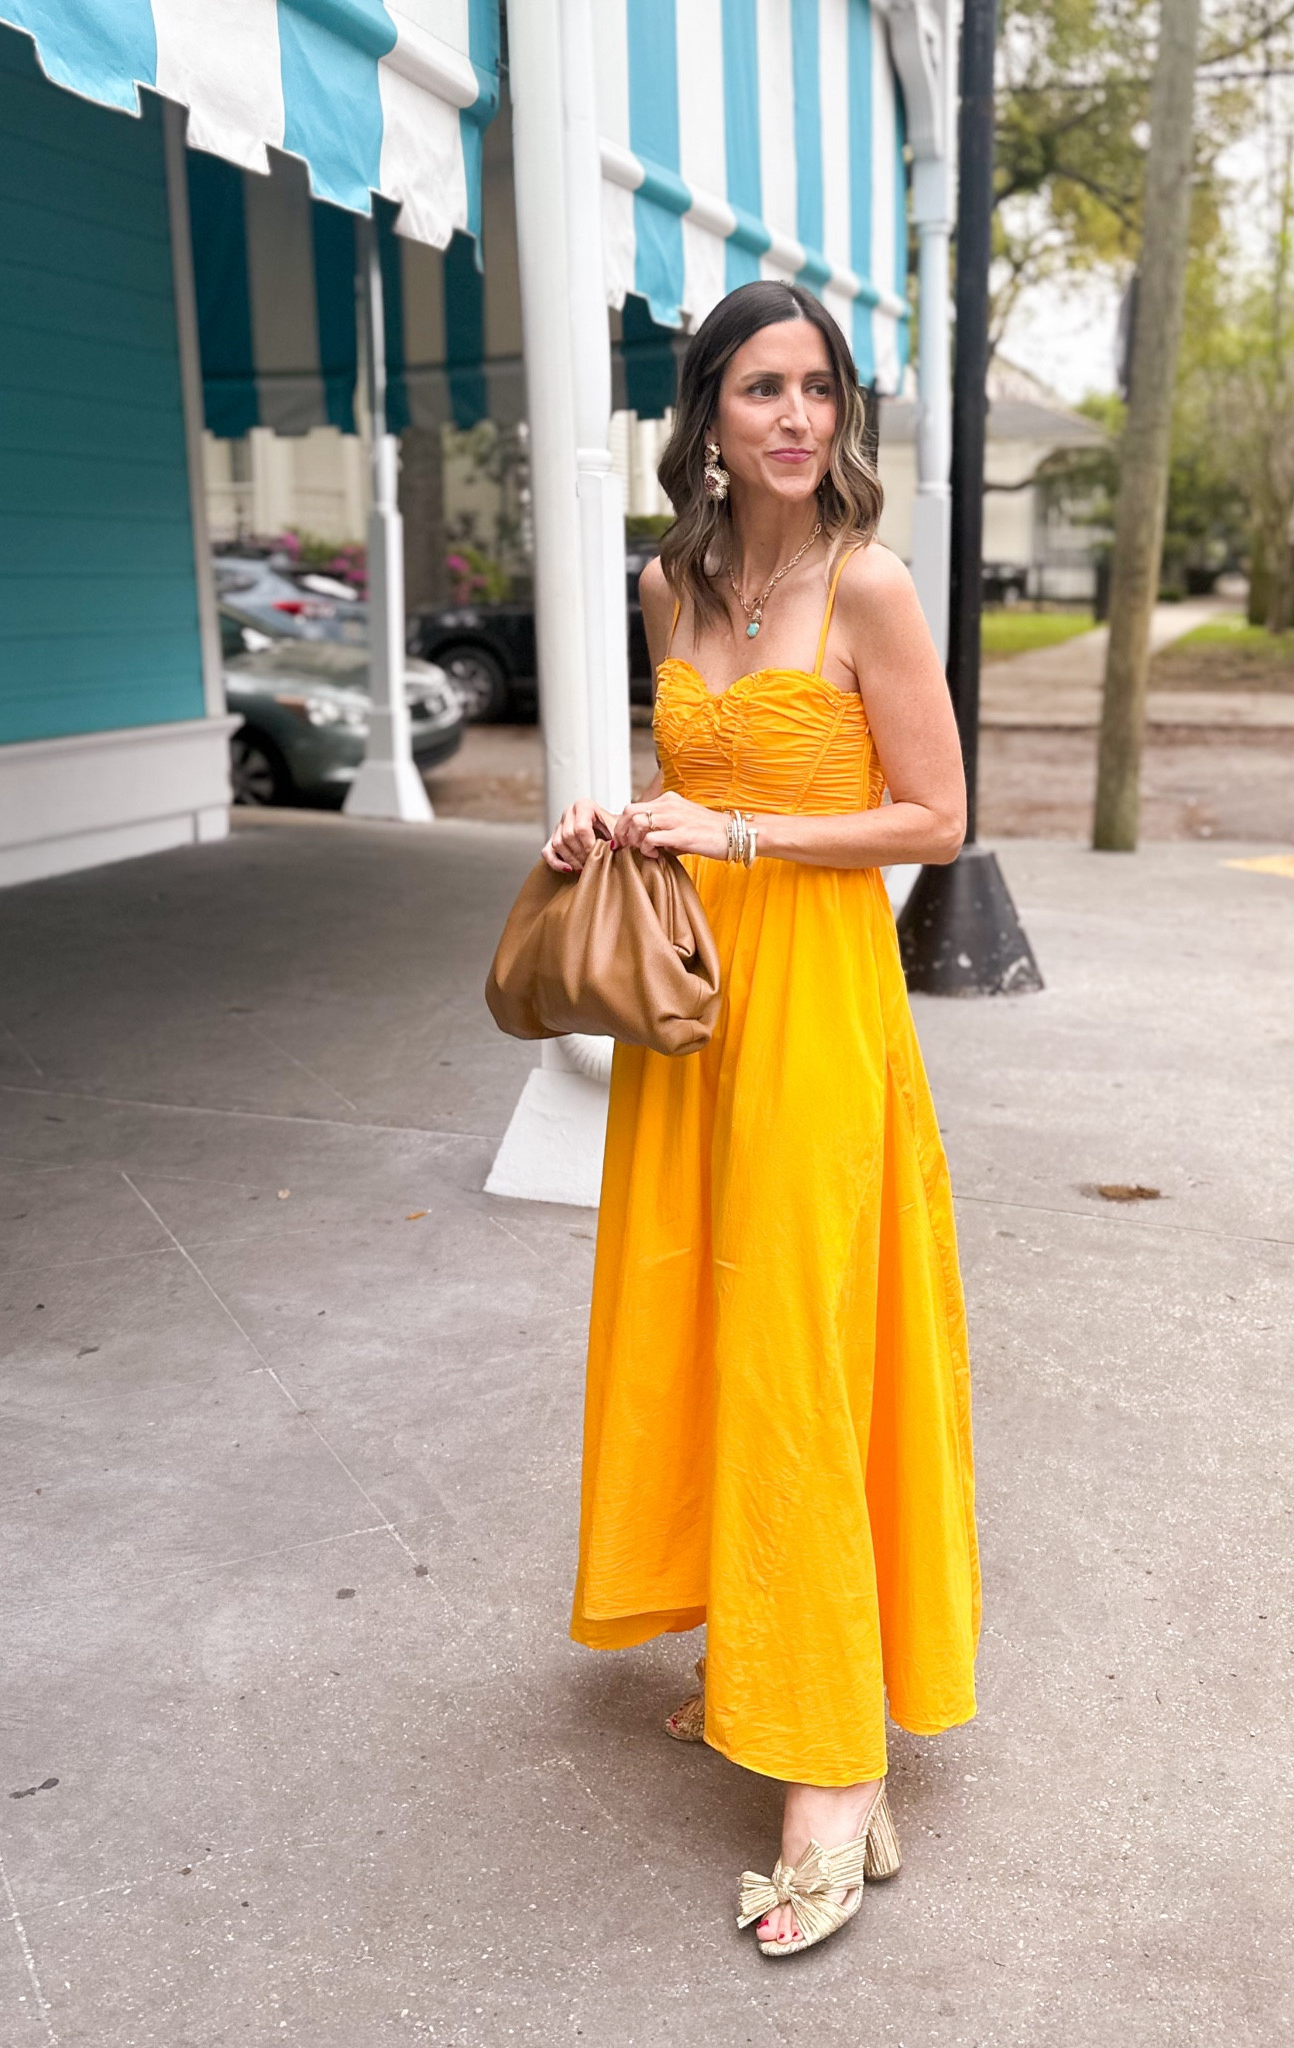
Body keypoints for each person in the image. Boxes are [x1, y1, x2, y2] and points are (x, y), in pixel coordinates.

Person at [544, 280, 980, 1958]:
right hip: (694, 1008)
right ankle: (764, 1637)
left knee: (802, 1343)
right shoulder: (670, 581)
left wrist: (734, 839)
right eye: (761, 389)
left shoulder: (870, 584)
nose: (797, 417)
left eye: (819, 387)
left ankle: (834, 1762)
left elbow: (935, 820)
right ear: (708, 417)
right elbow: (701, 776)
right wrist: (622, 826)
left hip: (816, 1009)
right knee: (704, 1317)